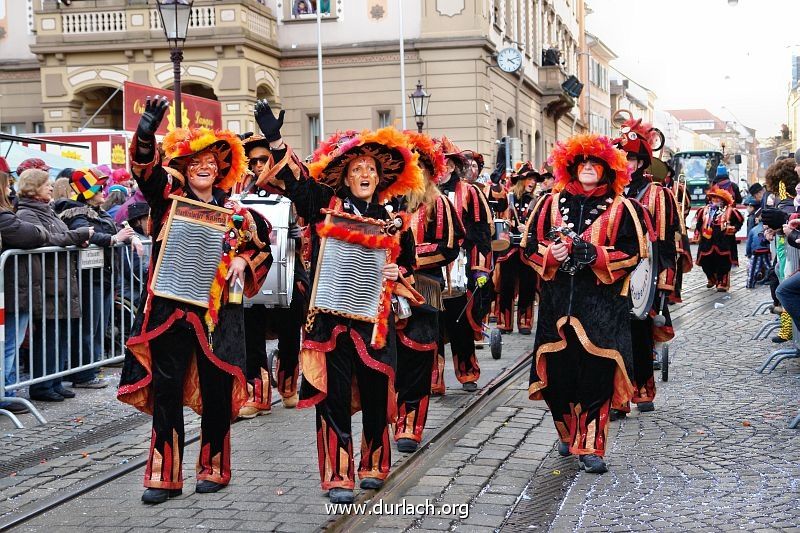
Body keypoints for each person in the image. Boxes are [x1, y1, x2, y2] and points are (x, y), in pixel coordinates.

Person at [252, 100, 423, 504]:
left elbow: (409, 268)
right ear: (344, 176)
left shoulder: (393, 221)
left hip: (375, 322)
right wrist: (275, 139)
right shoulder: (322, 205)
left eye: (371, 170)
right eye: (357, 169)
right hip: (328, 322)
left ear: (380, 179)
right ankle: (338, 476)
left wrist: (397, 274)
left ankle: (374, 465)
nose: (364, 174)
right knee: (332, 399)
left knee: (379, 397)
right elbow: (294, 180)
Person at [117, 96, 272, 504]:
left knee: (217, 390)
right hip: (171, 311)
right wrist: (146, 131)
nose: (205, 166)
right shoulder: (166, 200)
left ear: (223, 169)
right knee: (166, 392)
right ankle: (162, 476)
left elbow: (264, 247)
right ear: (184, 168)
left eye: (212, 162)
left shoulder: (237, 212)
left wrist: (242, 258)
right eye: (196, 162)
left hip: (218, 317)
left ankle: (214, 468)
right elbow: (145, 173)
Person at [522, 133, 646, 474]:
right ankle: (567, 430)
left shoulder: (624, 208)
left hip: (602, 309)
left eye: (596, 163)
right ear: (571, 167)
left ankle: (592, 445)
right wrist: (551, 253)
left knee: (596, 377)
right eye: (582, 162)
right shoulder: (548, 202)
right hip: (556, 306)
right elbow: (528, 247)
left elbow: (634, 254)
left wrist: (594, 254)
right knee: (557, 378)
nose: (588, 167)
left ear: (608, 169)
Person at [394, 131, 462, 453]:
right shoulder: (385, 202)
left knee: (419, 355)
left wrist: (412, 258)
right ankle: (392, 415)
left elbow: (448, 247)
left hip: (425, 288)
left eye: (419, 166)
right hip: (387, 288)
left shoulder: (440, 204)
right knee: (389, 357)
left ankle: (410, 424)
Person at [236, 134, 310, 417]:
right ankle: (258, 394)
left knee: (290, 330)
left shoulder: (290, 185)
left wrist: (295, 231)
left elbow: (306, 201)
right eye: (251, 160)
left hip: (289, 264)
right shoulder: (241, 190)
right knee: (250, 331)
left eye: (261, 159)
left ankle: (288, 386)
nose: (256, 165)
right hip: (254, 266)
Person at [615, 117, 679, 416]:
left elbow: (666, 245)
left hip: (644, 274)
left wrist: (663, 283)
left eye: (630, 158)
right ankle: (617, 396)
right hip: (612, 272)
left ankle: (642, 389)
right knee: (612, 335)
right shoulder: (610, 194)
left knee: (639, 335)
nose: (625, 163)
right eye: (621, 157)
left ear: (641, 163)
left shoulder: (658, 194)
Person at [56, 166, 139, 388]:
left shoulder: (98, 213)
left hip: (102, 276)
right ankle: (83, 375)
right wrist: (114, 239)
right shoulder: (76, 213)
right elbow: (87, 235)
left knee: (96, 327)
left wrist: (131, 238)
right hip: (87, 278)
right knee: (87, 328)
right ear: (88, 192)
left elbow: (116, 230)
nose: (104, 191)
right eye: (99, 188)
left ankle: (89, 370)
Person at [15, 169, 93, 402]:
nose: (51, 187)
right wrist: (77, 235)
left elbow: (62, 235)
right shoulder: (27, 213)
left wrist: (77, 238)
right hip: (47, 280)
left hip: (61, 278)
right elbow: (47, 239)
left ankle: (56, 379)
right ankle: (42, 385)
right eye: (46, 184)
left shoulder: (47, 211)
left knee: (60, 333)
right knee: (49, 335)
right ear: (33, 187)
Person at [434, 137, 494, 394]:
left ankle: (467, 371)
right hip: (430, 268)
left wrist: (480, 267)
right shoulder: (420, 193)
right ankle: (434, 379)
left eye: (445, 163)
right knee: (431, 325)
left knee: (461, 324)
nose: (441, 168)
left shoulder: (470, 192)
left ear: (452, 166)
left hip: (461, 266)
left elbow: (482, 233)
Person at [0, 160, 52, 414]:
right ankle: (5, 391)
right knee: (8, 342)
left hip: (13, 288)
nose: (10, 189)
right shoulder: (7, 214)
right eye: (7, 184)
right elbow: (31, 235)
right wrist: (40, 233)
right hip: (9, 289)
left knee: (12, 339)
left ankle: (7, 389)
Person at [493, 162, 538, 334]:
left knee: (528, 285)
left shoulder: (536, 201)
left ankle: (525, 322)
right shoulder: (508, 198)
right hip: (509, 248)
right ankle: (504, 322)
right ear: (521, 180)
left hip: (527, 250)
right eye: (529, 178)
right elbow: (498, 215)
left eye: (534, 179)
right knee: (506, 285)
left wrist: (527, 229)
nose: (532, 182)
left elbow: (540, 226)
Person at [694, 186, 744, 292]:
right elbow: (698, 224)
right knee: (705, 262)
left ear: (723, 200)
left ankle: (722, 282)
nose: (715, 201)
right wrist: (699, 231)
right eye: (713, 198)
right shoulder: (704, 211)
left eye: (718, 199)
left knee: (723, 263)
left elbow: (739, 222)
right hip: (707, 242)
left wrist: (733, 229)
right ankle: (712, 278)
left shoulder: (730, 211)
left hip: (724, 242)